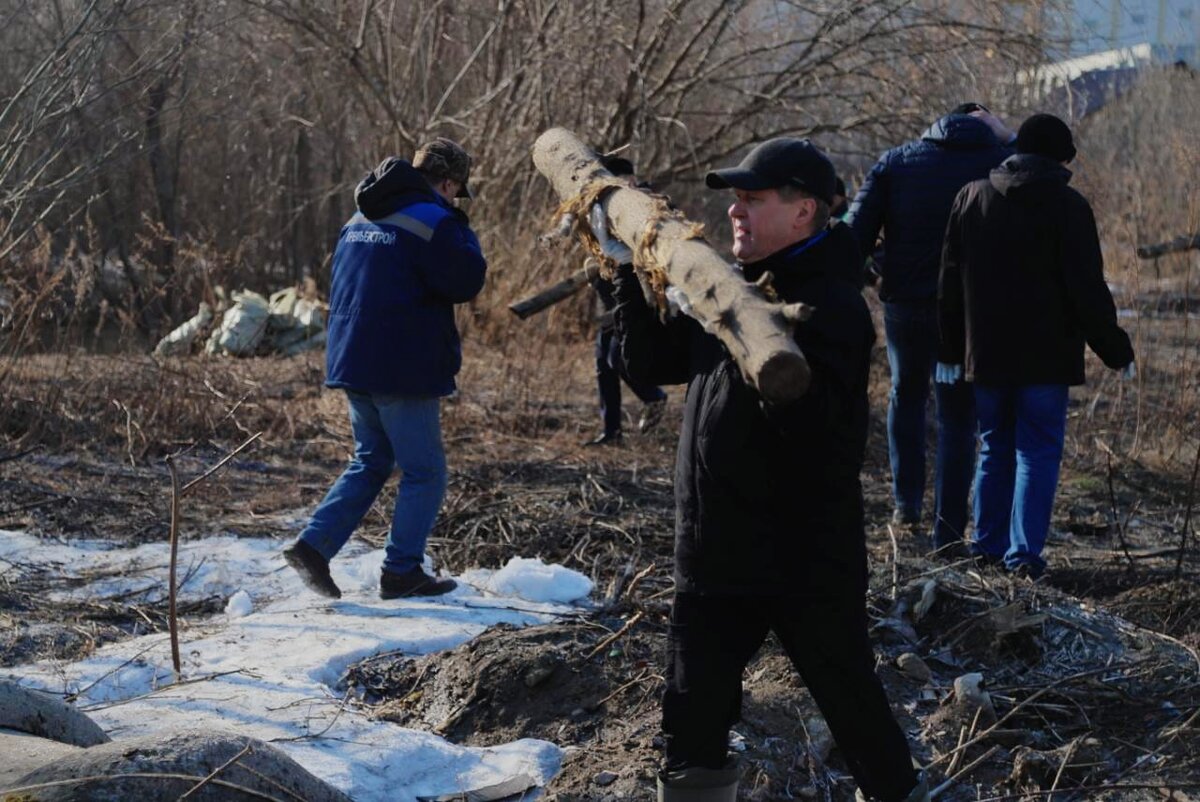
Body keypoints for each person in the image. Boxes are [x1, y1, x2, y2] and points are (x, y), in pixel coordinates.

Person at [607, 138, 927, 802]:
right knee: (691, 723)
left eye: (754, 199)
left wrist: (771, 364)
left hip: (802, 558)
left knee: (853, 705)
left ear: (804, 210)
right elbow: (646, 365)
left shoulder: (834, 308)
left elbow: (827, 441)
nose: (735, 213)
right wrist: (625, 277)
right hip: (714, 553)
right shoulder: (727, 285)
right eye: (734, 200)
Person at [282, 138, 486, 600]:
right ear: (449, 182)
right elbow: (466, 280)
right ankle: (402, 572)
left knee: (372, 459)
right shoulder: (435, 219)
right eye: (457, 191)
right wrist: (462, 230)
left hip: (353, 356)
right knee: (424, 472)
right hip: (402, 362)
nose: (456, 199)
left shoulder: (360, 215)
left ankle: (313, 547)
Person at [938, 114, 1134, 579]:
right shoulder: (1068, 207)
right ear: (1060, 157)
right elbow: (1086, 288)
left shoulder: (971, 197)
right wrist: (1115, 348)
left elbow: (948, 282)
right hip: (1046, 358)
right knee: (1036, 451)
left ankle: (986, 547)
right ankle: (1023, 558)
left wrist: (948, 349)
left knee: (994, 448)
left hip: (985, 354)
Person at [847, 102, 1015, 553]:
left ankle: (906, 505)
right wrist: (1007, 133)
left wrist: (861, 272)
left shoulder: (897, 161)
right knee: (958, 416)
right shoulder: (1000, 163)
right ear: (985, 127)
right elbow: (1045, 164)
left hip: (905, 301)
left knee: (906, 394)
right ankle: (949, 527)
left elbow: (854, 234)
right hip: (966, 312)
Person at [585, 154, 667, 446]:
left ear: (630, 179)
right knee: (602, 364)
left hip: (635, 294)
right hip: (608, 292)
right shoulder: (601, 204)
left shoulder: (651, 203)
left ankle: (654, 398)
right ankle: (611, 431)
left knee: (617, 357)